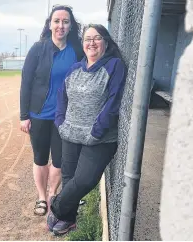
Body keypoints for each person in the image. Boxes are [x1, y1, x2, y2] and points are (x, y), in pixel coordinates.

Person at [47, 24, 126, 235]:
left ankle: (56, 206)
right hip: (70, 133)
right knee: (69, 179)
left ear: (106, 42)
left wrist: (96, 131)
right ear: (82, 45)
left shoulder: (114, 65)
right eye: (87, 39)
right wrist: (60, 122)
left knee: (84, 180)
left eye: (97, 38)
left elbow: (113, 101)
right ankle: (68, 219)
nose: (91, 42)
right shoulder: (75, 68)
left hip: (99, 138)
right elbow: (62, 97)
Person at [20, 5, 84, 216]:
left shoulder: (76, 51)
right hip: (38, 115)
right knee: (40, 157)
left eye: (65, 21)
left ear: (71, 26)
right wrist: (24, 116)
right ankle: (41, 197)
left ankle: (52, 194)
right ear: (50, 24)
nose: (61, 25)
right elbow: (26, 83)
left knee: (59, 160)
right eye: (57, 21)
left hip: (63, 117)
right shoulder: (38, 49)